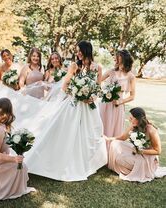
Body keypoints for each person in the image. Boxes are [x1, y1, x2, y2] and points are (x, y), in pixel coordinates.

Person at [24, 40, 107, 181]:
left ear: (87, 50)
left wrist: (91, 97)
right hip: (74, 104)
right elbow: (64, 86)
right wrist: (78, 93)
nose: (78, 53)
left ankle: (87, 162)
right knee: (70, 133)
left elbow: (98, 88)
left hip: (89, 106)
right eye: (77, 51)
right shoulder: (74, 66)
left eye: (80, 50)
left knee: (91, 133)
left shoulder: (97, 67)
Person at [107, 107, 166, 182]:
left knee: (119, 159)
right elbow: (123, 137)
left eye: (131, 118)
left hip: (148, 158)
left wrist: (141, 151)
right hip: (136, 151)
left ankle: (141, 167)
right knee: (115, 143)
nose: (129, 119)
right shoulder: (134, 125)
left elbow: (158, 151)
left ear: (138, 119)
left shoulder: (151, 130)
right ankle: (130, 165)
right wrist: (109, 138)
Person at [100, 49, 136, 137]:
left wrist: (120, 102)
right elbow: (98, 81)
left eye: (118, 56)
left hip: (118, 106)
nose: (115, 58)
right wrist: (102, 92)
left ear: (124, 58)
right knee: (103, 127)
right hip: (105, 104)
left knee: (115, 129)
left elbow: (132, 96)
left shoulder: (131, 76)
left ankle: (112, 149)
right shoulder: (111, 71)